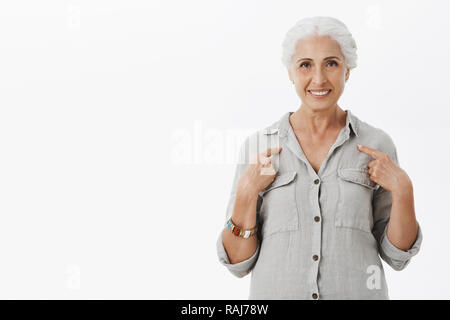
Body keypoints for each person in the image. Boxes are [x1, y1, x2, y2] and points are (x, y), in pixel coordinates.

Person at [216, 16, 423, 300]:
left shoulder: (377, 144)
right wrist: (246, 193)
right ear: (290, 72)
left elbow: (397, 255)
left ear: (347, 70)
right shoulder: (258, 147)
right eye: (305, 65)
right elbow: (239, 263)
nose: (319, 78)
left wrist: (403, 190)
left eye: (331, 63)